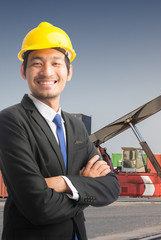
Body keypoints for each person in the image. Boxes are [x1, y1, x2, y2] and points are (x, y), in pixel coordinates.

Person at [0, 22, 120, 240]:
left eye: (56, 63)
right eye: (37, 63)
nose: (47, 71)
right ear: (22, 71)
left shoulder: (75, 126)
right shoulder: (10, 121)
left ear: (69, 71)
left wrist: (63, 183)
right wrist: (84, 186)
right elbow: (38, 206)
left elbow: (111, 186)